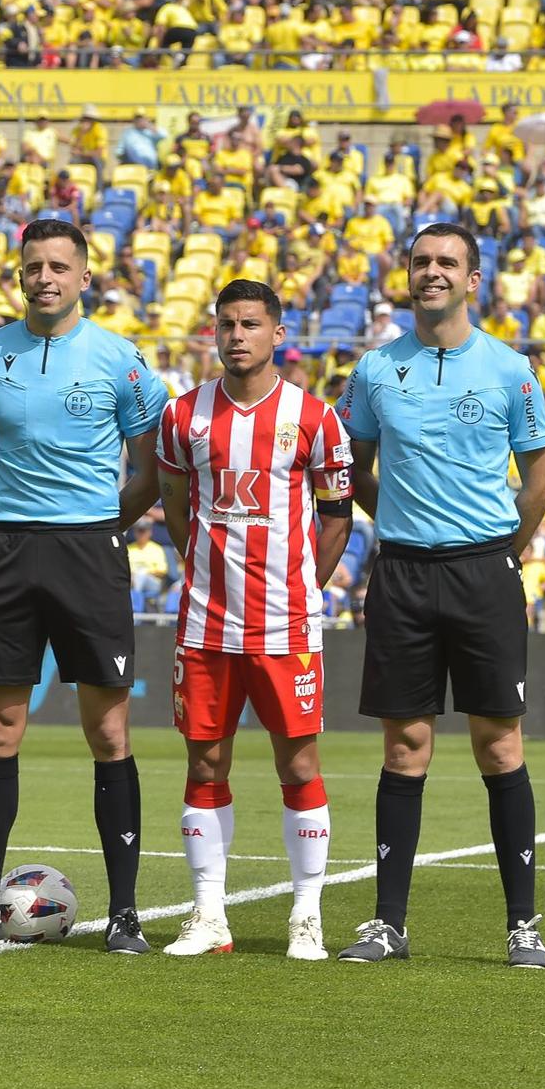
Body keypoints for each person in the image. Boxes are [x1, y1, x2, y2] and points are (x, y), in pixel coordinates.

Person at [0, 217, 165, 955]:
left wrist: (100, 524)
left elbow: (150, 468)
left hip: (91, 552)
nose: (45, 277)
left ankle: (125, 912)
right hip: (6, 551)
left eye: (59, 266)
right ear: (20, 273)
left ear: (84, 276)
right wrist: (14, 520)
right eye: (33, 265)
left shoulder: (119, 359)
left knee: (109, 731)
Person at [334, 222, 545, 969]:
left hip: (484, 574)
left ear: (473, 278)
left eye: (447, 262)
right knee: (405, 747)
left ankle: (522, 924)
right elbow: (351, 467)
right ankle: (387, 923)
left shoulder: (509, 368)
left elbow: (540, 477)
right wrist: (394, 515)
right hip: (399, 574)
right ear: (407, 275)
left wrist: (501, 552)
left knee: (500, 746)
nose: (432, 272)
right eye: (421, 261)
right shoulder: (373, 370)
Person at [153, 279, 352, 960]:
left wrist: (302, 590)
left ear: (278, 332)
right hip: (206, 622)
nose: (237, 335)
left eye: (251, 324)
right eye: (228, 324)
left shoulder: (315, 417)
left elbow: (336, 517)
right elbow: (176, 504)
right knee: (205, 758)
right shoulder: (183, 416)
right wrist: (203, 567)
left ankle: (306, 915)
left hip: (286, 624)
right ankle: (209, 914)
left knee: (297, 761)